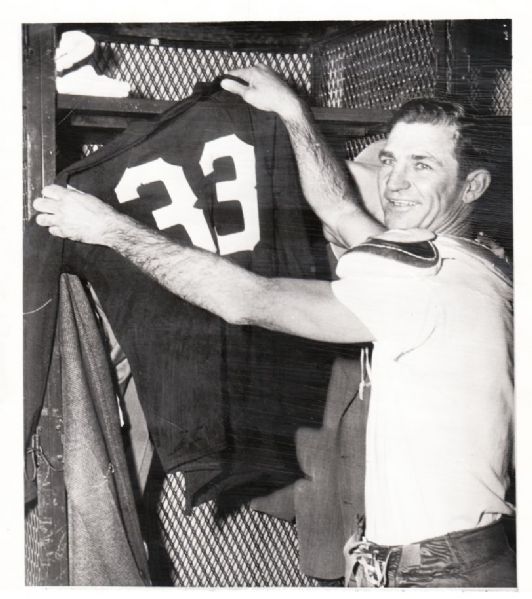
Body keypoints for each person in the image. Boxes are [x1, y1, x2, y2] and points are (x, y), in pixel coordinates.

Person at [33, 64, 515, 588]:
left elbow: (248, 300)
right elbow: (338, 210)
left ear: (474, 185)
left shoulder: (427, 278)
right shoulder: (465, 263)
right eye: (390, 160)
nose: (395, 182)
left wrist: (110, 229)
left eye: (422, 165)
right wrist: (292, 114)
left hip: (442, 572)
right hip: (432, 558)